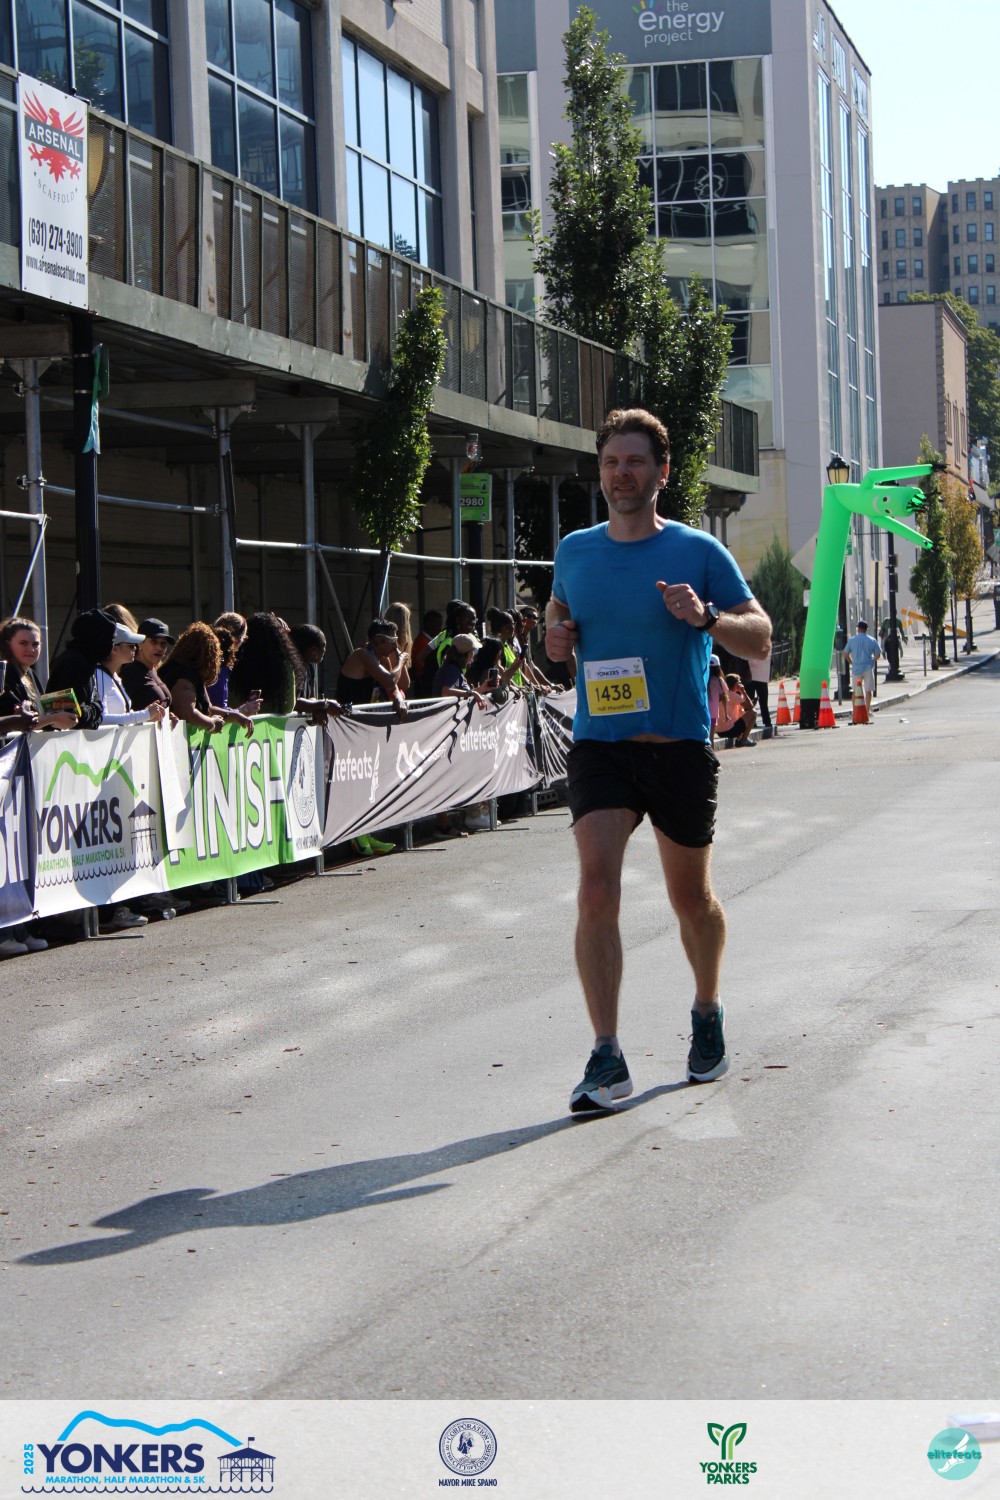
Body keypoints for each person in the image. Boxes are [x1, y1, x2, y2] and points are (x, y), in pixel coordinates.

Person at [545, 407, 771, 1110]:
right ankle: (606, 1055)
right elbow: (558, 613)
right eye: (612, 462)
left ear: (662, 473)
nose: (622, 474)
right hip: (601, 746)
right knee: (595, 891)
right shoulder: (575, 551)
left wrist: (707, 617)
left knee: (690, 901)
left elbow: (760, 636)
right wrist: (554, 637)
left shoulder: (698, 551)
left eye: (635, 462)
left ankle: (706, 1009)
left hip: (677, 748)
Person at [47, 609, 142, 729]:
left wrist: (92, 711)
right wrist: (93, 711)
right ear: (97, 639)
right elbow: (72, 716)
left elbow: (96, 709)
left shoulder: (88, 664)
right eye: (110, 640)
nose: (111, 645)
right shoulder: (71, 664)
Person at [0, 617, 78, 729]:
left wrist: (63, 713)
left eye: (35, 644)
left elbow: (39, 714)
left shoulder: (30, 673)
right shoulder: (5, 674)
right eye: (23, 643)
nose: (31, 649)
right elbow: (15, 722)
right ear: (7, 644)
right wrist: (54, 718)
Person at [229, 612, 302, 715]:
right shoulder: (285, 666)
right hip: (270, 725)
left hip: (236, 722)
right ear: (278, 637)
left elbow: (229, 703)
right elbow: (288, 708)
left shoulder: (232, 663)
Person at [335, 619, 408, 716]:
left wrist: (398, 699)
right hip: (345, 717)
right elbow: (390, 681)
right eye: (393, 640)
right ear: (380, 641)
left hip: (362, 716)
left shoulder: (384, 659)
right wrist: (401, 662)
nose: (396, 645)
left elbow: (392, 689)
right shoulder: (362, 655)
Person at [120, 618, 175, 712]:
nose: (159, 648)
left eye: (163, 644)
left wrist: (168, 717)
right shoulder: (130, 672)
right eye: (154, 642)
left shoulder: (152, 670)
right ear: (140, 643)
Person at [845, 619, 881, 714]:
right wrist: (872, 660)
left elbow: (846, 654)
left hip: (856, 668)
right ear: (866, 629)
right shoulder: (872, 640)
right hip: (868, 667)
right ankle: (867, 710)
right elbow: (878, 654)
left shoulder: (852, 640)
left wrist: (851, 662)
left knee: (855, 691)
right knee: (868, 691)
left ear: (858, 629)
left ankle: (855, 711)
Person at [717, 672, 756, 748]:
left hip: (719, 731)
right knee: (753, 713)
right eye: (739, 683)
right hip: (729, 731)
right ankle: (744, 739)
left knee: (741, 711)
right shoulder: (733, 695)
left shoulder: (723, 694)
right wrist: (743, 691)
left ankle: (740, 737)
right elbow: (750, 707)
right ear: (736, 684)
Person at [746, 645, 773, 737]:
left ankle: (755, 721)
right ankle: (764, 721)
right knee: (757, 700)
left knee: (755, 700)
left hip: (754, 676)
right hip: (756, 676)